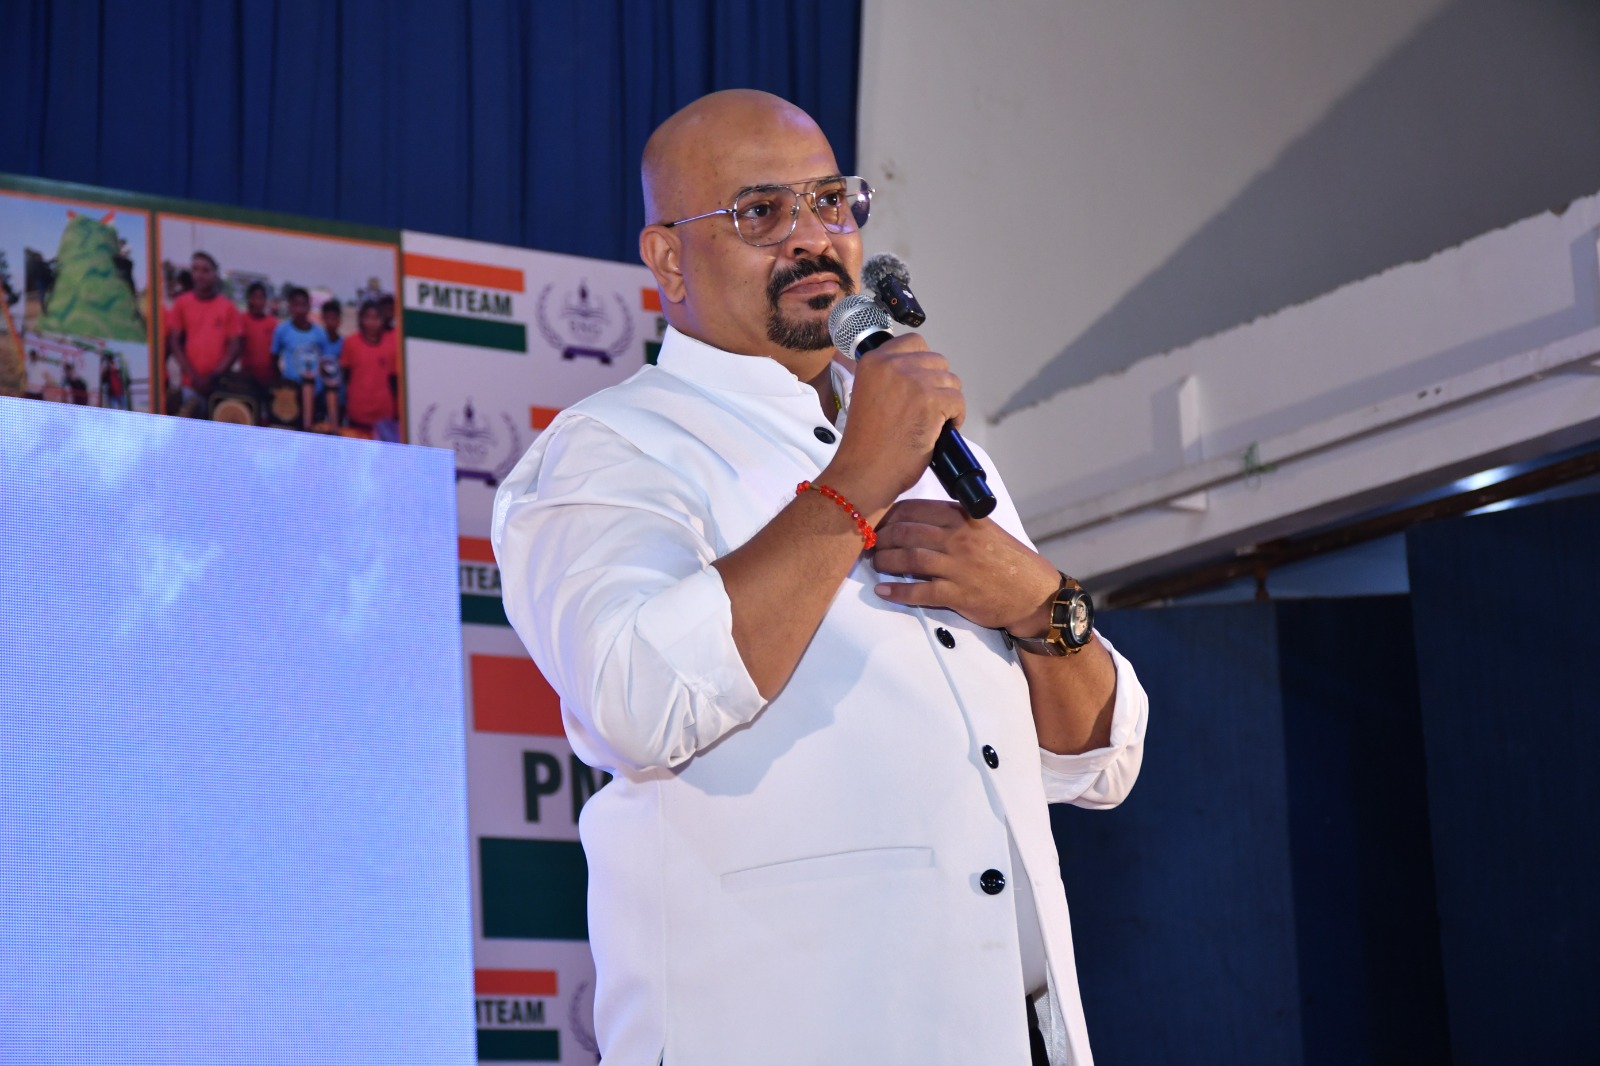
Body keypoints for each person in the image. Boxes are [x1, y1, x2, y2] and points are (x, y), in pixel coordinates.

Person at [491, 90, 1148, 1066]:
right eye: (762, 212)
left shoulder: (936, 451)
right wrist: (855, 484)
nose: (813, 239)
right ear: (668, 258)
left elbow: (1097, 765)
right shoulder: (609, 450)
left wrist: (1041, 605)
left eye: (832, 202)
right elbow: (635, 702)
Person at [165, 251, 242, 418]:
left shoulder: (228, 307)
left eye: (205, 270)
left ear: (215, 274)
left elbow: (234, 347)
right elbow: (174, 342)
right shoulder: (181, 303)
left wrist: (214, 376)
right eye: (195, 269)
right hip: (190, 385)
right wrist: (193, 376)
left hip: (220, 385)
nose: (199, 275)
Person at [338, 300, 399, 441]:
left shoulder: (392, 345)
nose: (372, 322)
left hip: (384, 416)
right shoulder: (350, 342)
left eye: (376, 318)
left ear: (383, 320)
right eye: (368, 317)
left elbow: (394, 381)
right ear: (361, 319)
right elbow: (345, 376)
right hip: (357, 413)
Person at [271, 287, 331, 430]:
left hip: (315, 393)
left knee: (311, 432)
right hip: (290, 394)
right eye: (295, 305)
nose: (299, 310)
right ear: (290, 307)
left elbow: (325, 362)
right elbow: (274, 358)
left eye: (303, 305)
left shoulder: (319, 333)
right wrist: (282, 384)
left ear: (309, 306)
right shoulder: (282, 330)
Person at [239, 282, 279, 394]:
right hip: (247, 377)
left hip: (268, 378)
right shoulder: (241, 320)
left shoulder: (272, 323)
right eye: (255, 298)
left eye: (261, 298)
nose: (258, 302)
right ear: (249, 299)